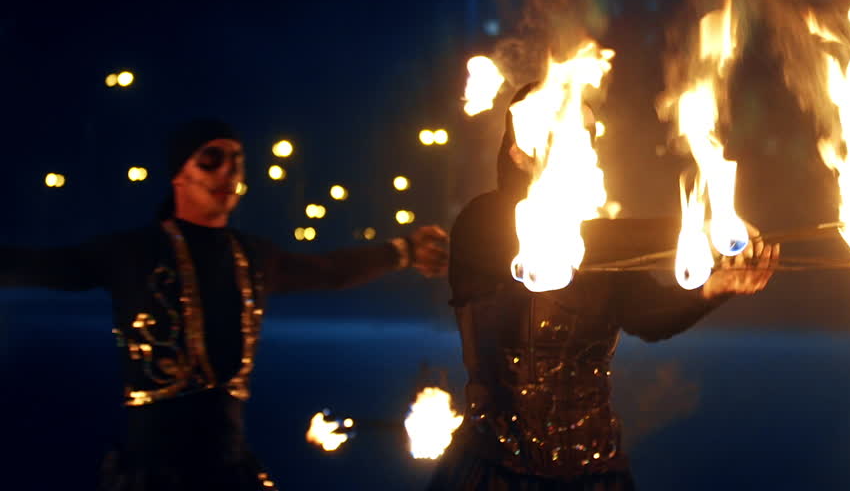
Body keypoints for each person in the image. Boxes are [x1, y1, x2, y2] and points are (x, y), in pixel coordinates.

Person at [0, 118, 449, 490]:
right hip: (150, 475)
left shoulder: (251, 256)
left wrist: (404, 251)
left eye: (236, 161)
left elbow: (327, 271)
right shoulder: (135, 253)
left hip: (228, 470)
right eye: (211, 159)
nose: (227, 173)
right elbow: (46, 266)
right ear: (180, 172)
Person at [428, 85, 776, 490]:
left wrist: (714, 289)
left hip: (596, 474)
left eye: (587, 134)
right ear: (518, 151)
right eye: (561, 131)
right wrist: (694, 229)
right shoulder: (485, 221)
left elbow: (649, 318)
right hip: (497, 473)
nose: (581, 144)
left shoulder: (603, 242)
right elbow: (589, 241)